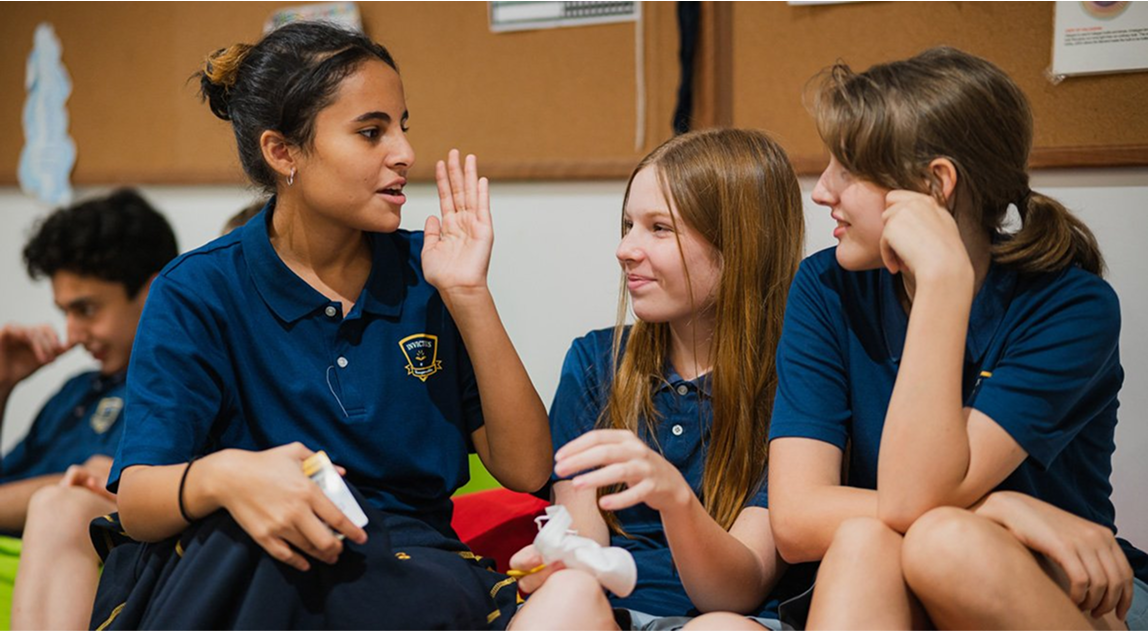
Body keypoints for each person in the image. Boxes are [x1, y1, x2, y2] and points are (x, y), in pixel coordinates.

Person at [87, 21, 551, 631]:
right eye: (370, 132)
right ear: (283, 153)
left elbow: (527, 468)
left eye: (402, 127)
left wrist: (469, 294)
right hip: (261, 556)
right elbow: (139, 502)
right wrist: (228, 475)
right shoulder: (198, 290)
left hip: (411, 567)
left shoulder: (430, 272)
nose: (404, 153)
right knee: (259, 550)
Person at [767, 46, 1148, 630]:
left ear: (934, 184)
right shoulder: (825, 286)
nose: (822, 192)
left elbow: (913, 502)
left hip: (1060, 589)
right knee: (866, 543)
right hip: (905, 563)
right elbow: (795, 520)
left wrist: (943, 282)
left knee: (942, 541)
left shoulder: (1072, 307)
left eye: (847, 170)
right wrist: (1004, 507)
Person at [508, 128, 810, 631]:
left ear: (740, 246)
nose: (625, 249)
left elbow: (734, 592)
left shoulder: (796, 383)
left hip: (730, 616)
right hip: (613, 613)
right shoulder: (595, 361)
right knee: (566, 598)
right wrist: (559, 562)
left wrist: (674, 498)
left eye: (659, 228)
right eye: (627, 225)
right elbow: (584, 546)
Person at [2, 188, 178, 630]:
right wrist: (2, 385)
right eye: (65, 312)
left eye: (87, 309)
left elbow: (98, 483)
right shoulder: (77, 390)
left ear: (153, 292)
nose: (73, 333)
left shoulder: (172, 386)